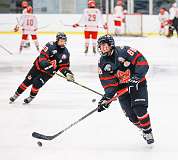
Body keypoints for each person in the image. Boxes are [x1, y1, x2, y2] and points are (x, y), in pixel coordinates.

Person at [96, 34, 154, 144]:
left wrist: (137, 77)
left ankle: (148, 131)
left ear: (111, 45)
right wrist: (106, 99)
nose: (102, 48)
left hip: (137, 84)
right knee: (131, 116)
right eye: (100, 46)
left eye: (104, 45)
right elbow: (109, 84)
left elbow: (142, 62)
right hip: (122, 90)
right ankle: (143, 128)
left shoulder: (125, 51)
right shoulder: (102, 63)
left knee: (139, 108)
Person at [9, 32, 74, 104]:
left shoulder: (66, 53)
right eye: (61, 40)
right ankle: (16, 95)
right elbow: (42, 57)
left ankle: (31, 97)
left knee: (36, 84)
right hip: (37, 67)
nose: (62, 42)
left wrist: (67, 73)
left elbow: (63, 66)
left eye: (64, 41)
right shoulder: (50, 45)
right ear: (57, 40)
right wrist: (46, 65)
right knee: (27, 81)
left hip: (48, 73)